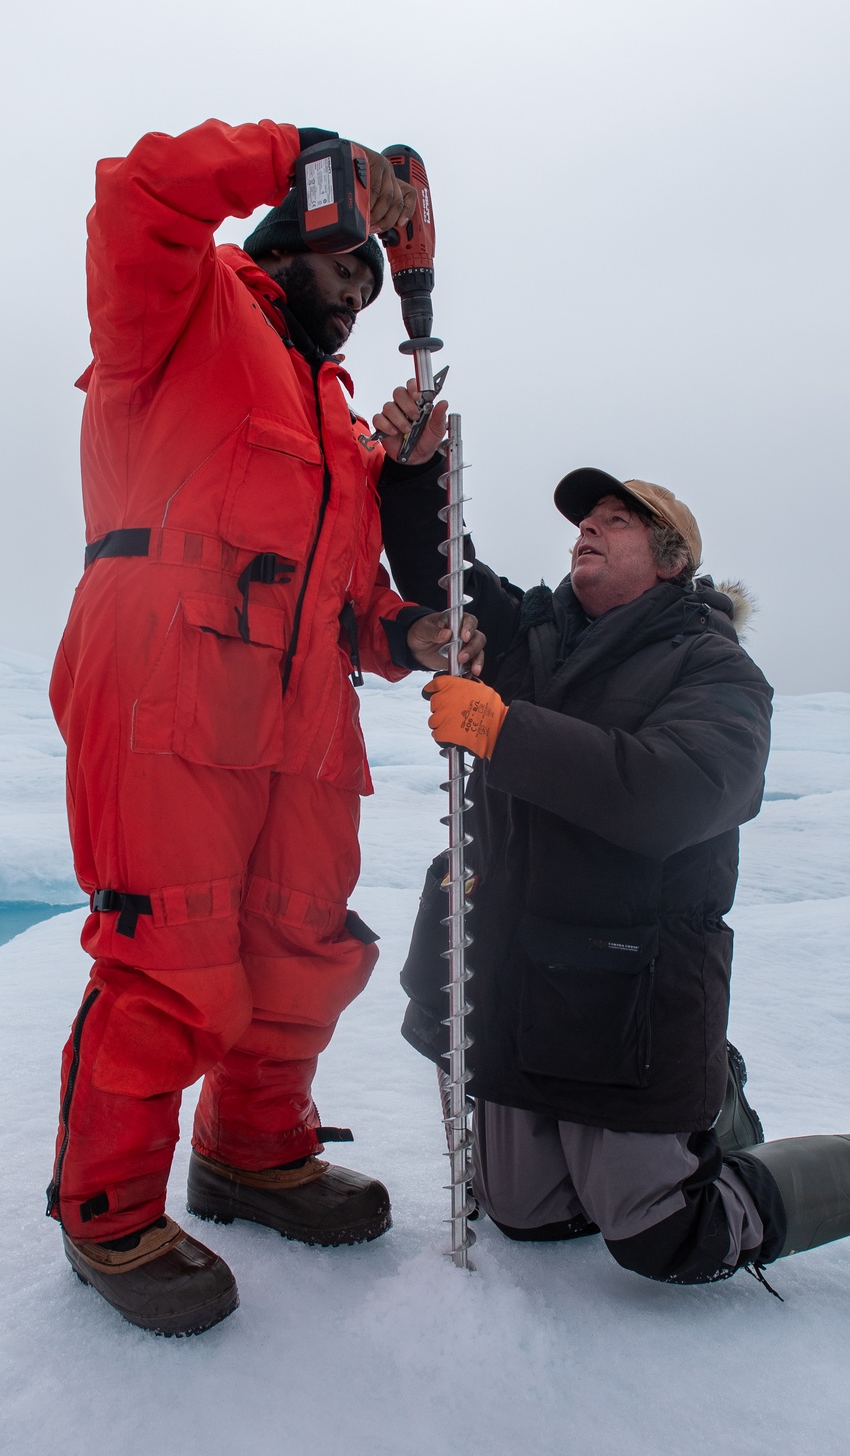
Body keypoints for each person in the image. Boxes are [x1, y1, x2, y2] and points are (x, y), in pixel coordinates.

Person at [47, 120, 480, 1337]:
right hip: (162, 688)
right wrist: (308, 149)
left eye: (372, 278)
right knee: (170, 961)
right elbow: (139, 193)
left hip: (299, 727)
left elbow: (346, 608)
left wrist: (410, 638)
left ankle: (252, 1152)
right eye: (345, 260)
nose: (357, 290)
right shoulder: (180, 308)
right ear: (287, 232)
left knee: (302, 952)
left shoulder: (340, 425)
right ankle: (110, 1209)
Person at [375, 390, 850, 1288]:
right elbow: (445, 579)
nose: (585, 531)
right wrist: (415, 474)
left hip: (630, 997)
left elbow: (679, 794)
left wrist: (504, 732)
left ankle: (720, 1104)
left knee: (666, 1235)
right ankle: (667, 1120)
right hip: (525, 983)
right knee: (524, 1214)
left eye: (614, 521)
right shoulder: (535, 637)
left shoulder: (717, 670)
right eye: (583, 521)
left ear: (668, 560)